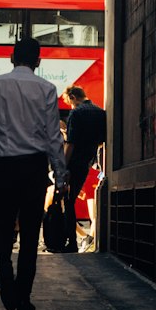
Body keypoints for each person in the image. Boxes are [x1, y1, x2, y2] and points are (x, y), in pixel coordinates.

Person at [0, 37, 67, 310]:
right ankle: (23, 296)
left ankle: (6, 282)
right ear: (38, 60)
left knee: (2, 230)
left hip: (5, 168)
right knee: (30, 235)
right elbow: (53, 138)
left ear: (12, 58)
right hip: (35, 169)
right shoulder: (47, 89)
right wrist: (60, 177)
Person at [62, 85, 107, 254]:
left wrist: (63, 166)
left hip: (74, 162)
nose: (70, 105)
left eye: (68, 101)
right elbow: (101, 139)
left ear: (73, 97)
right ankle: (73, 241)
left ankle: (71, 243)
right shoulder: (100, 112)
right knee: (71, 199)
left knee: (68, 201)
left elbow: (71, 143)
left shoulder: (76, 113)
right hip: (88, 161)